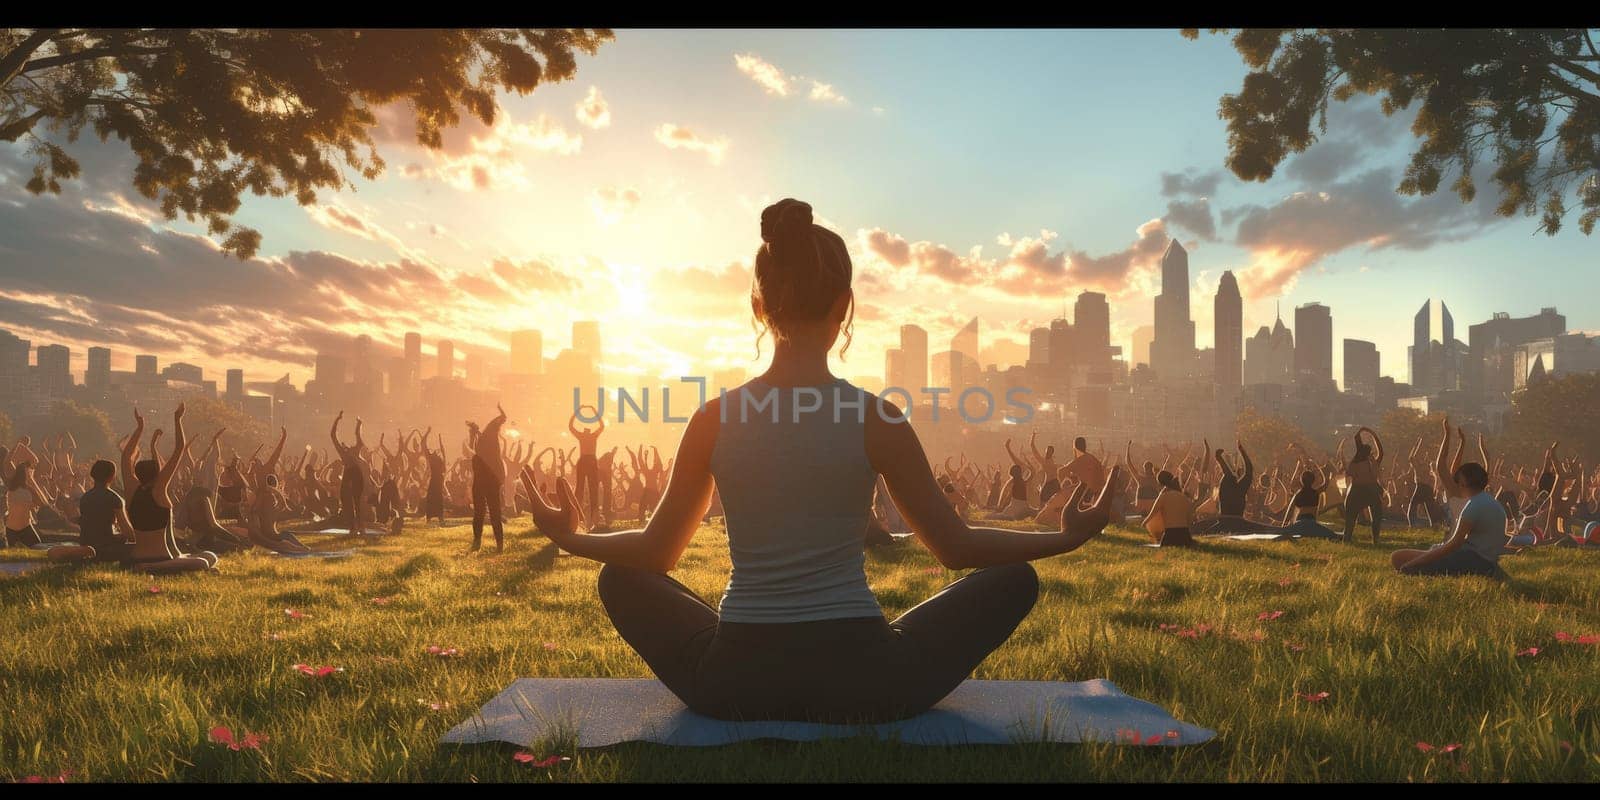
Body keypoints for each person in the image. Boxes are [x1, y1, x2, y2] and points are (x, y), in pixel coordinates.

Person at [517, 198, 1119, 724]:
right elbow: (955, 546)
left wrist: (573, 538)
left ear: (759, 307)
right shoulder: (877, 417)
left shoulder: (712, 419)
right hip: (868, 682)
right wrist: (1059, 541)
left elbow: (655, 554)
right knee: (1016, 579)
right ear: (844, 305)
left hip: (731, 683)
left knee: (619, 576)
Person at [120, 406, 218, 574]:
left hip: (134, 557)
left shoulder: (131, 490)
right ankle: (151, 569)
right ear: (157, 476)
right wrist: (177, 419)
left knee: (209, 556)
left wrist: (140, 428)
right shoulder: (159, 490)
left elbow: (125, 456)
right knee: (204, 561)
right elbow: (179, 448)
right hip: (160, 559)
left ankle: (151, 566)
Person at [1390, 462, 1506, 578]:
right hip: (1486, 561)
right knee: (1398, 556)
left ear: (1463, 483)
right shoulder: (1493, 503)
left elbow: (1454, 544)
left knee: (1404, 562)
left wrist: (1412, 564)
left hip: (1471, 561)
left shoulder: (1473, 506)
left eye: (1457, 482)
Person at [466, 405, 509, 553]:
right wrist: (473, 432)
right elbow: (501, 420)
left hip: (485, 483)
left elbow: (500, 421)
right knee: (490, 513)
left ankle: (484, 543)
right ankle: (495, 544)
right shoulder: (487, 444)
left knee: (483, 513)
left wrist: (473, 431)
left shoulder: (483, 447)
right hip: (486, 483)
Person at [1342, 426, 1385, 543]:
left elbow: (1358, 442)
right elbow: (1381, 451)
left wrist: (1361, 432)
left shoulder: (1354, 463)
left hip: (1356, 491)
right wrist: (1373, 434)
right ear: (1368, 453)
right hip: (1369, 491)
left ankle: (1347, 539)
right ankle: (1375, 539)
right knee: (1376, 517)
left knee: (1350, 521)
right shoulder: (1372, 462)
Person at [1142, 470, 1196, 547]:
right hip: (1185, 536)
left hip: (1170, 536)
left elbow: (1152, 514)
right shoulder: (1184, 497)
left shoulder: (1163, 497)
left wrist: (1143, 524)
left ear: (1161, 484)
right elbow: (1190, 519)